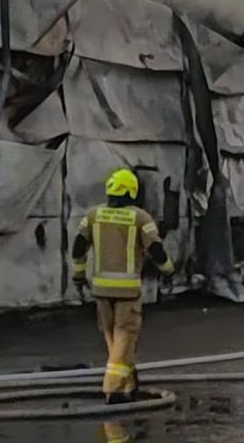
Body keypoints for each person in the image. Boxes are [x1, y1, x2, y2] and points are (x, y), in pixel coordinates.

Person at [72, 168, 176, 404]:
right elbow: (156, 251)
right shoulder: (140, 217)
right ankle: (113, 390)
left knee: (114, 340)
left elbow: (78, 247)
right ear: (132, 192)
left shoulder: (92, 215)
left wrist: (78, 276)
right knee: (125, 338)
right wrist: (169, 270)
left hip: (100, 290)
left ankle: (129, 382)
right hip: (127, 292)